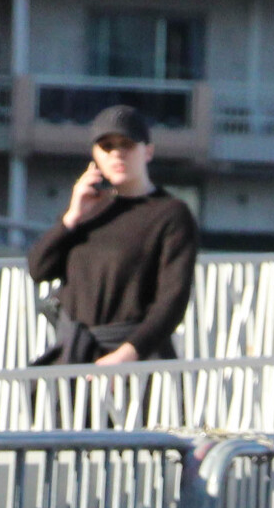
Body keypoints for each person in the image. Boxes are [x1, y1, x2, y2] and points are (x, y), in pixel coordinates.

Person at [26, 105, 199, 366]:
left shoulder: (171, 213)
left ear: (148, 151)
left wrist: (127, 355)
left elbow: (172, 300)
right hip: (78, 356)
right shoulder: (91, 207)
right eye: (107, 146)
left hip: (137, 364)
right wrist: (71, 216)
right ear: (95, 155)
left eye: (127, 144)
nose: (117, 153)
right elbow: (39, 269)